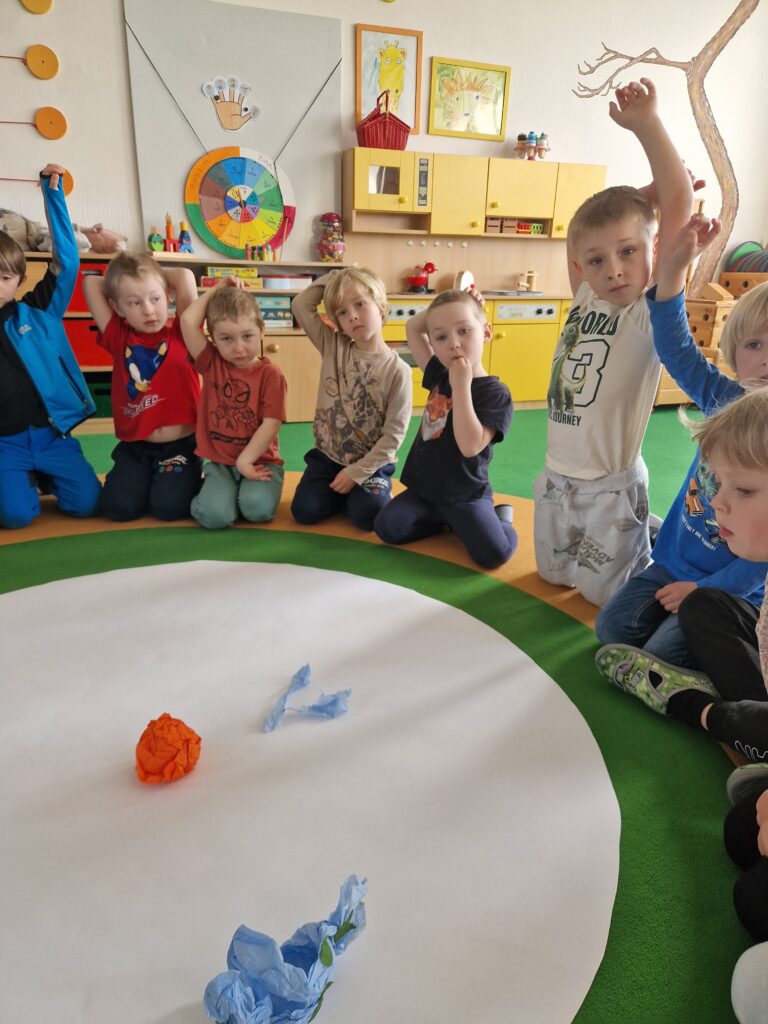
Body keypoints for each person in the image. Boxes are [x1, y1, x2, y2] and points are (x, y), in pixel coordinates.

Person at [534, 78, 694, 606]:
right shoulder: (585, 296)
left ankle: (647, 536)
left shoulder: (650, 311)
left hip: (609, 487)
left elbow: (678, 201)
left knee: (604, 596)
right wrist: (637, 199)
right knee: (553, 578)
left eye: (629, 252)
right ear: (582, 267)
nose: (615, 270)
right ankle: (644, 531)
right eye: (598, 260)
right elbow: (583, 233)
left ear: (654, 251)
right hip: (556, 479)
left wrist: (647, 126)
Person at [595, 220, 768, 672]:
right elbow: (676, 348)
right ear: (735, 355)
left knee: (660, 656)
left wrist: (704, 592)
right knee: (611, 629)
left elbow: (761, 557)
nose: (767, 358)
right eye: (754, 344)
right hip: (674, 563)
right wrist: (672, 270)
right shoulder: (723, 398)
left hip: (734, 588)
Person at [374, 288, 517, 569]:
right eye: (441, 337)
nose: (454, 344)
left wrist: (461, 385)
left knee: (493, 555)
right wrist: (454, 301)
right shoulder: (439, 373)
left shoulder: (495, 393)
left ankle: (501, 519)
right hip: (425, 491)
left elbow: (470, 446)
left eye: (464, 331)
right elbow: (413, 327)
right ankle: (446, 523)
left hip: (465, 494)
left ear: (486, 333)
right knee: (387, 528)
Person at [0, 163, 101, 528]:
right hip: (6, 445)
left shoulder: (38, 311)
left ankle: (43, 474)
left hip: (50, 436)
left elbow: (68, 262)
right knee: (15, 516)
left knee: (88, 504)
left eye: (4, 277)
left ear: (20, 280)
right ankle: (24, 479)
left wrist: (52, 194)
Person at [83, 251, 202, 521]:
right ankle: (149, 479)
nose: (148, 310)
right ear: (117, 307)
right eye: (134, 303)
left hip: (180, 447)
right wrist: (125, 280)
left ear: (168, 297)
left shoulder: (184, 331)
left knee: (169, 508)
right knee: (118, 509)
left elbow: (184, 276)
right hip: (136, 447)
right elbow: (90, 283)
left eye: (155, 298)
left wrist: (154, 275)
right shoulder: (118, 336)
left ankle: (184, 477)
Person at [290, 268, 411, 531]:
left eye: (360, 304)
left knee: (369, 516)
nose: (352, 315)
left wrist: (356, 473)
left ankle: (362, 493)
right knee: (304, 511)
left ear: (381, 306)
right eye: (342, 313)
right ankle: (344, 494)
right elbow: (300, 305)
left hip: (371, 464)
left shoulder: (398, 370)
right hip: (327, 458)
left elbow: (393, 436)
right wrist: (334, 277)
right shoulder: (334, 345)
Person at [179, 279, 287, 529]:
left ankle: (236, 494)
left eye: (247, 336)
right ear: (213, 339)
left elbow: (271, 424)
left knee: (257, 510)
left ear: (262, 330)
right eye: (226, 338)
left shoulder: (271, 374)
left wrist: (245, 461)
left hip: (261, 461)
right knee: (214, 517)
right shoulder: (211, 362)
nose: (239, 348)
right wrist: (218, 288)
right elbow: (187, 321)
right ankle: (218, 494)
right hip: (221, 463)